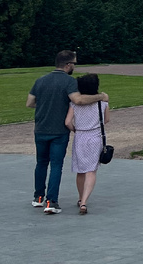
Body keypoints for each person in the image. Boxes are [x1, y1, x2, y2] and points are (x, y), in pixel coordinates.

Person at [26, 50, 107, 214]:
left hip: (40, 127)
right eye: (74, 64)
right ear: (68, 64)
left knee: (41, 163)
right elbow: (78, 100)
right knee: (56, 165)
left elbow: (30, 102)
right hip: (58, 130)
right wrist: (100, 97)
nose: (74, 67)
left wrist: (45, 106)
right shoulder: (68, 82)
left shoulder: (40, 80)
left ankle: (38, 197)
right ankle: (51, 201)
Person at [65, 73, 109, 215]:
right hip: (95, 135)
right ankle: (84, 201)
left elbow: (67, 122)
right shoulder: (102, 103)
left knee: (80, 170)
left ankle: (79, 197)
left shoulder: (74, 104)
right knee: (91, 170)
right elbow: (106, 120)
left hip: (80, 136)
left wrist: (75, 130)